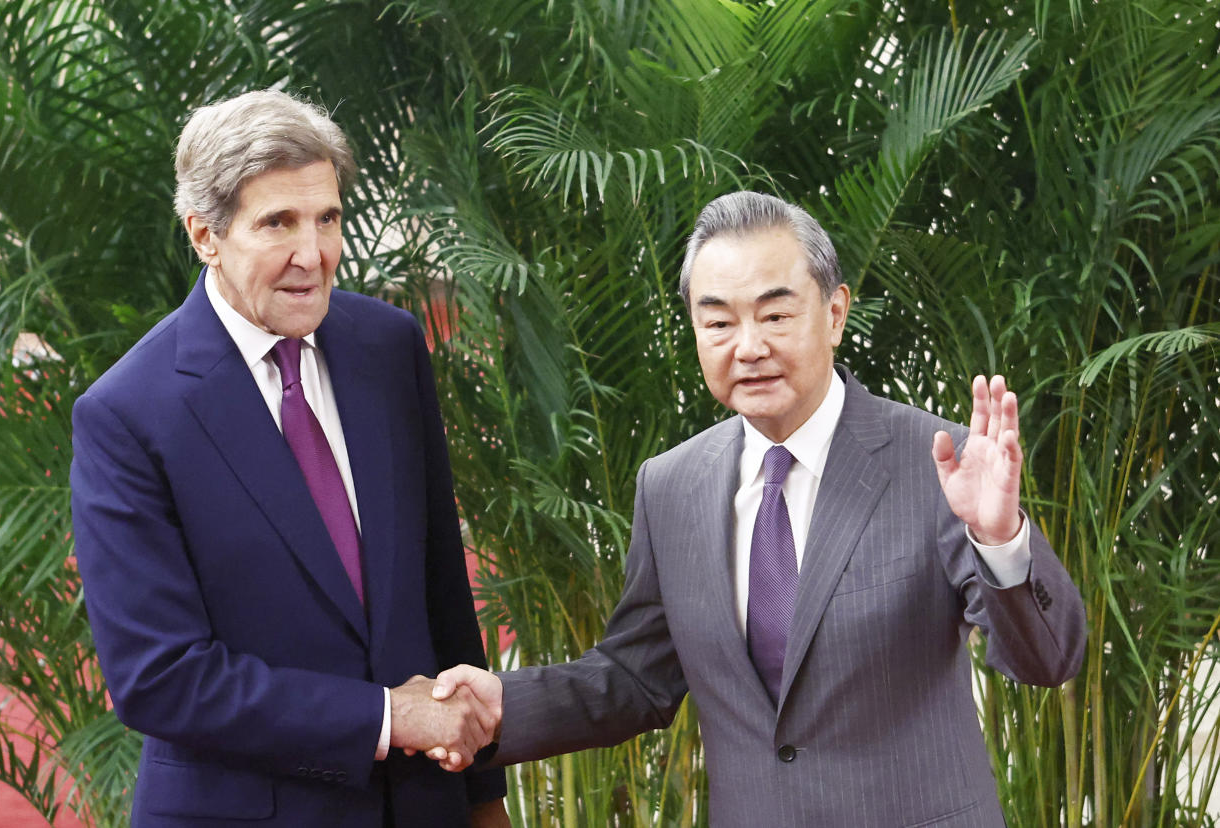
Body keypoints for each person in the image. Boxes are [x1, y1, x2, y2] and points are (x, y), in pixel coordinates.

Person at [432, 191, 1087, 825]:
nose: (748, 346)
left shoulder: (938, 462)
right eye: (718, 322)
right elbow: (637, 677)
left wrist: (1000, 537)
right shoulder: (671, 486)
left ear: (834, 313)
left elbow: (1045, 662)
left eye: (775, 316)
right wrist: (500, 708)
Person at [70, 90, 508, 827]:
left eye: (328, 218)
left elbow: (441, 594)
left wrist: (482, 800)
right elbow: (161, 678)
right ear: (204, 235)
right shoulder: (126, 414)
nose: (315, 255)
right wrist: (384, 718)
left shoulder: (389, 346)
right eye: (279, 223)